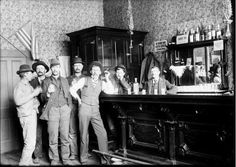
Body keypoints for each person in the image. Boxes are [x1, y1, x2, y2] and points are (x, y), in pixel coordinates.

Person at [70, 61, 114, 165]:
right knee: (84, 134)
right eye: (93, 70)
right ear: (90, 71)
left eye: (98, 70)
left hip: (95, 110)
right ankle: (83, 158)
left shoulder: (102, 82)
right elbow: (72, 89)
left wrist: (107, 78)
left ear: (100, 72)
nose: (95, 72)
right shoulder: (84, 79)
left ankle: (104, 158)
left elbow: (111, 91)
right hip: (84, 108)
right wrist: (79, 99)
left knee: (102, 133)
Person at [40, 58, 73, 165]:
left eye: (57, 67)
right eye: (53, 67)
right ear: (51, 68)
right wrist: (48, 94)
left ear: (59, 68)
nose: (55, 69)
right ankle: (54, 159)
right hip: (52, 110)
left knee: (64, 136)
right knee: (53, 136)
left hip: (64, 109)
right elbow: (42, 98)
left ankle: (66, 159)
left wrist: (69, 108)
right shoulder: (46, 81)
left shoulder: (64, 80)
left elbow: (68, 96)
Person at [13, 64, 42, 165]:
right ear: (25, 74)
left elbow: (31, 99)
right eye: (30, 73)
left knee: (30, 141)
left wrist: (36, 104)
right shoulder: (20, 86)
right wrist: (34, 94)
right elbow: (18, 101)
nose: (32, 74)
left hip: (31, 114)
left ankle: (29, 161)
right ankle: (23, 163)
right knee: (30, 142)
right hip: (26, 116)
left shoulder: (28, 85)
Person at [66, 57, 85, 164]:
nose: (77, 67)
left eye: (79, 65)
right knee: (72, 130)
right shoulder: (68, 79)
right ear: (73, 67)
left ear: (82, 67)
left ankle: (84, 152)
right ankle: (73, 153)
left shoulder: (86, 78)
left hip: (84, 106)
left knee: (84, 130)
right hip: (72, 106)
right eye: (75, 65)